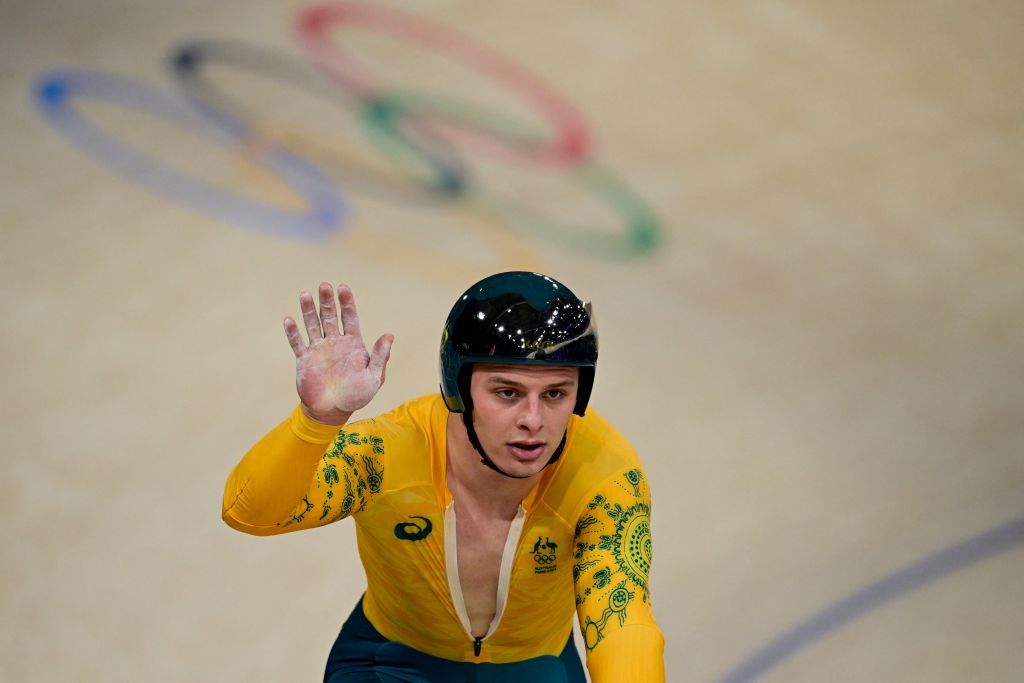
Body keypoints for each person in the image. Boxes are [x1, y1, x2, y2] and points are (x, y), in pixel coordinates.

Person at [223, 272, 665, 682]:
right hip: (392, 662)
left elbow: (624, 625)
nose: (534, 420)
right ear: (458, 389)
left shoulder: (605, 474)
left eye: (555, 393)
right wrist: (316, 423)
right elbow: (248, 513)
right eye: (507, 392)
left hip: (535, 666)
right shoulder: (388, 453)